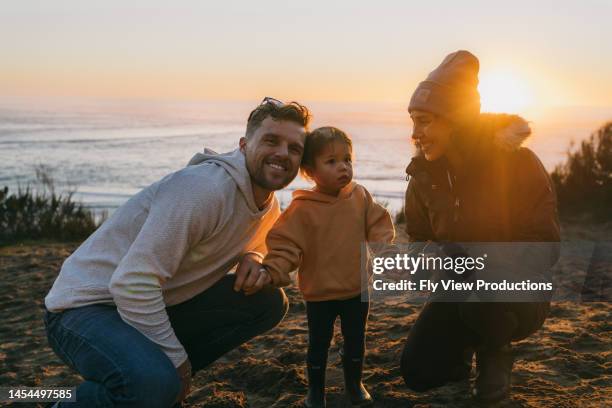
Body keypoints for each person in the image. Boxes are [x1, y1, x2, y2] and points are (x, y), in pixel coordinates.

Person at [43, 97, 311, 407]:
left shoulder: (268, 205)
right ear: (243, 145)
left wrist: (254, 257)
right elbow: (131, 283)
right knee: (156, 385)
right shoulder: (203, 191)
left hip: (150, 302)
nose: (282, 153)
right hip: (82, 309)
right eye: (271, 140)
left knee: (268, 302)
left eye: (294, 148)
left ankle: (146, 380)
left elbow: (255, 242)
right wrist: (178, 362)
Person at [400, 51, 561, 403]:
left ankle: (494, 365)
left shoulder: (517, 163)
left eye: (424, 121)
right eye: (413, 121)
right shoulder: (424, 177)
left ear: (455, 120)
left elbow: (544, 245)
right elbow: (418, 238)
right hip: (456, 288)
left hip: (518, 294)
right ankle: (463, 354)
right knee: (418, 372)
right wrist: (429, 259)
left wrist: (478, 262)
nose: (415, 134)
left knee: (481, 299)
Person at [262, 127, 395, 407]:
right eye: (331, 161)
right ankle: (315, 391)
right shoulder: (302, 209)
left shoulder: (359, 195)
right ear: (310, 170)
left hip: (356, 288)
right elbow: (285, 244)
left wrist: (385, 251)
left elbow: (379, 225)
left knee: (355, 340)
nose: (343, 167)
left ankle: (354, 384)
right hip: (319, 293)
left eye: (347, 159)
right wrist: (274, 268)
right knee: (318, 344)